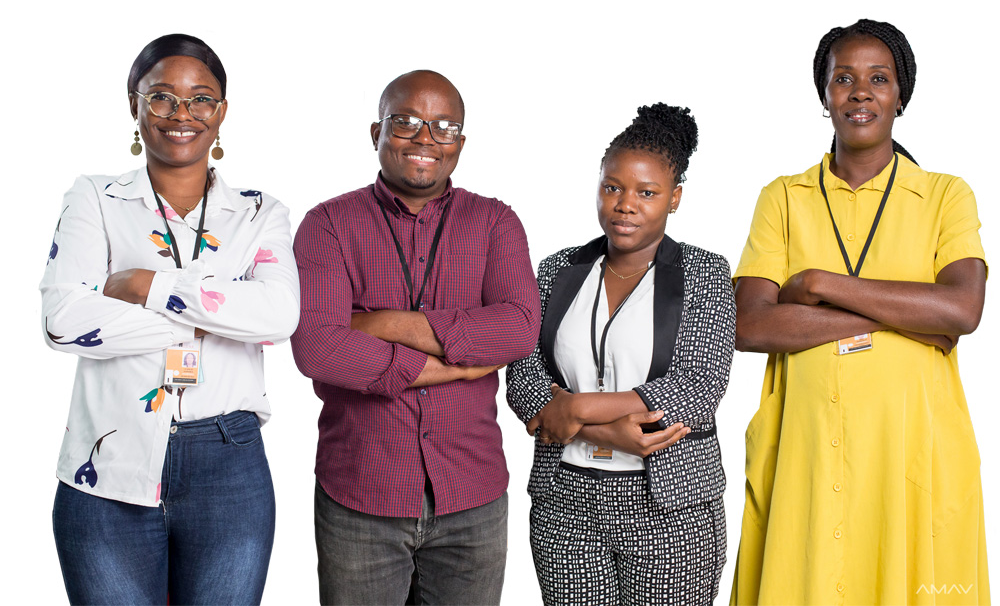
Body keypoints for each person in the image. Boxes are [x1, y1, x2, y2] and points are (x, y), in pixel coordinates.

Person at [729, 19, 989, 605]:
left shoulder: (946, 195)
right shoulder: (783, 197)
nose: (860, 92)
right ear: (824, 96)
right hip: (805, 454)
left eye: (879, 78)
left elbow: (962, 308)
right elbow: (750, 324)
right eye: (843, 78)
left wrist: (818, 284)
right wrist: (913, 319)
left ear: (901, 95)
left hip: (911, 455)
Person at [41, 33, 300, 605]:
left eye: (201, 99)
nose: (182, 114)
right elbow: (64, 319)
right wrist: (218, 314)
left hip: (228, 462)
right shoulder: (94, 198)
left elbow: (279, 315)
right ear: (134, 106)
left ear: (221, 112)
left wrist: (145, 287)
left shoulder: (260, 213)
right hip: (106, 462)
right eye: (161, 97)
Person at [291, 70, 541, 605]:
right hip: (361, 495)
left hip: (471, 497)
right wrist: (458, 361)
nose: (425, 138)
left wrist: (379, 324)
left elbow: (521, 328)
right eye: (405, 122)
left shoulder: (495, 222)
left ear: (460, 143)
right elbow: (318, 347)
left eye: (443, 127)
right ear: (376, 132)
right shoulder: (328, 224)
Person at [506, 103, 734, 605]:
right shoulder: (557, 271)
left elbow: (698, 386)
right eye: (612, 187)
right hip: (565, 504)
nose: (625, 204)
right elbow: (522, 374)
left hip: (671, 510)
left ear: (675, 198)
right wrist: (599, 432)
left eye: (646, 193)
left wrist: (577, 408)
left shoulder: (705, 273)